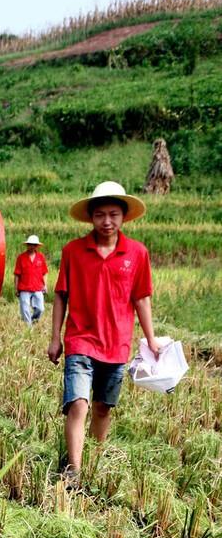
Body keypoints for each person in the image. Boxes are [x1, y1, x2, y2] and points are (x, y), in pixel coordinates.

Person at [47, 181, 161, 488]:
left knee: (102, 407)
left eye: (113, 214)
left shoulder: (136, 253)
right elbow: (61, 295)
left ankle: (94, 457)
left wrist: (151, 339)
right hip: (80, 341)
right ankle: (74, 470)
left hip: (116, 345)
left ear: (124, 217)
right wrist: (55, 337)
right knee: (77, 404)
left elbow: (141, 298)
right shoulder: (74, 251)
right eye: (100, 215)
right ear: (91, 218)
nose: (107, 221)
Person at [14, 234, 48, 326]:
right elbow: (17, 274)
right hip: (24, 287)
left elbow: (44, 273)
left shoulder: (41, 257)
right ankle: (28, 329)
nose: (32, 246)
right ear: (27, 245)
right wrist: (16, 288)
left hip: (38, 287)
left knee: (40, 308)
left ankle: (33, 321)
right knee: (25, 309)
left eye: (34, 244)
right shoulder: (21, 258)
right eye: (30, 244)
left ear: (37, 246)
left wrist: (45, 285)